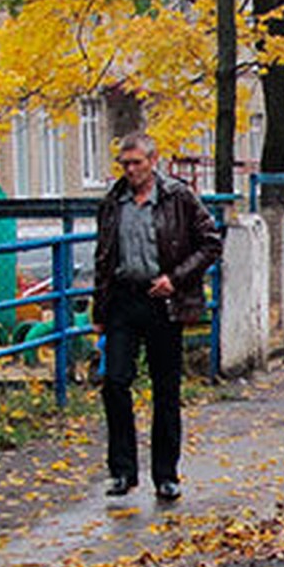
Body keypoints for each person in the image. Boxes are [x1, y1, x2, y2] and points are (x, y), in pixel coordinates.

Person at [92, 131, 222, 501]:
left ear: (153, 161)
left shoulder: (177, 197)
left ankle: (166, 474)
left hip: (163, 302)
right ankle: (122, 471)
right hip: (123, 299)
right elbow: (103, 257)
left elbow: (210, 242)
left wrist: (176, 279)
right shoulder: (114, 202)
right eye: (125, 164)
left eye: (136, 163)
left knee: (166, 389)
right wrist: (98, 310)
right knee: (115, 382)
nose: (130, 170)